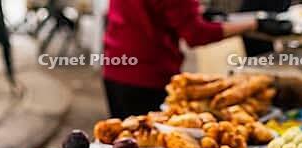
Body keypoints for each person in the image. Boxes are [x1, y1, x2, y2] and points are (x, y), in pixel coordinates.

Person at [102, 0, 258, 119]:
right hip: (148, 77)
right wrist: (255, 24)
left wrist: (195, 13)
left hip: (115, 66)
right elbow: (195, 34)